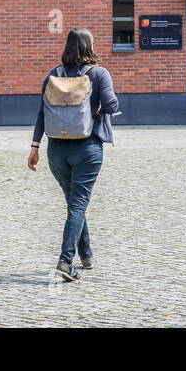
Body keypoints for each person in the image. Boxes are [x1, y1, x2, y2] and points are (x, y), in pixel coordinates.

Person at [27, 28, 119, 282]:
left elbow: (41, 114)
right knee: (78, 204)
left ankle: (86, 254)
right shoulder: (99, 73)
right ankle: (66, 262)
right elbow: (112, 105)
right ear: (89, 47)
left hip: (56, 150)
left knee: (73, 202)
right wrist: (99, 107)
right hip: (87, 149)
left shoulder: (52, 75)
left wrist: (34, 148)